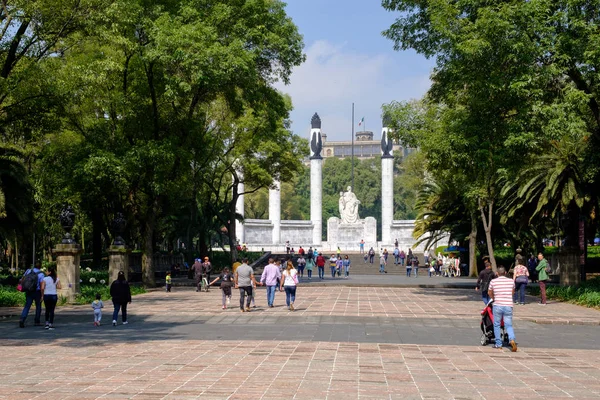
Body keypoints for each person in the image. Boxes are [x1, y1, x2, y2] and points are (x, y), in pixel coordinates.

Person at [488, 266, 518, 352]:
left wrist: (493, 298)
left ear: (497, 273)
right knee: (508, 324)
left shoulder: (493, 281)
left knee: (497, 324)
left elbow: (489, 292)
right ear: (505, 273)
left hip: (497, 305)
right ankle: (511, 339)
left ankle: (498, 344)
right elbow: (512, 292)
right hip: (508, 305)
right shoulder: (511, 281)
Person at [19, 261, 45, 328]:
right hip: (37, 292)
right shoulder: (41, 274)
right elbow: (42, 285)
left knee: (27, 306)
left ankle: (22, 319)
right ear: (40, 267)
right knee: (38, 306)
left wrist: (22, 287)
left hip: (29, 291)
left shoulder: (28, 271)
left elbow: (22, 279)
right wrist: (42, 295)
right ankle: (37, 321)